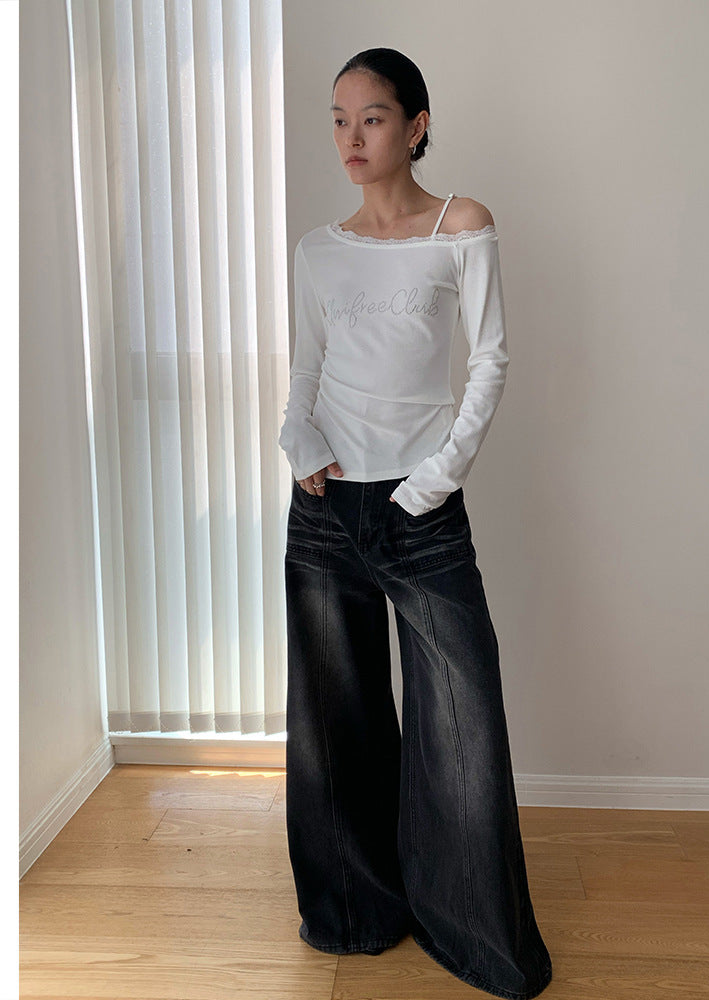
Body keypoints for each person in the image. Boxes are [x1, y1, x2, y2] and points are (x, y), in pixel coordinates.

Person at [277, 47, 552, 1000]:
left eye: (374, 118)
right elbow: (305, 372)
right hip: (324, 508)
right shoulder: (318, 249)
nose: (352, 138)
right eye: (339, 119)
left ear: (417, 125)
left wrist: (436, 479)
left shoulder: (460, 225)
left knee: (460, 722)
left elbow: (491, 361)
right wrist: (297, 441)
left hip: (420, 511)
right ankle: (355, 914)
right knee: (334, 721)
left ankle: (473, 934)